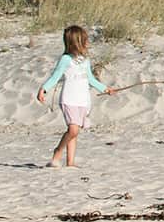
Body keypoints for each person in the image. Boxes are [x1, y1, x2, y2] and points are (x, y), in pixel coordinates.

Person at [36, 24, 115, 169]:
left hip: (83, 100)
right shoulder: (66, 59)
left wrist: (105, 89)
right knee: (73, 130)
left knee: (74, 132)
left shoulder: (85, 60)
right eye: (85, 40)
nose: (88, 43)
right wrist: (44, 89)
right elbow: (55, 77)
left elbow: (91, 79)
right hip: (69, 99)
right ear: (76, 42)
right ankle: (58, 151)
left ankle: (70, 162)